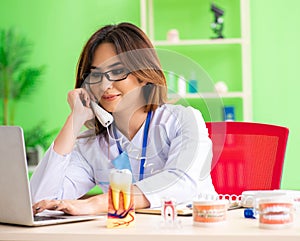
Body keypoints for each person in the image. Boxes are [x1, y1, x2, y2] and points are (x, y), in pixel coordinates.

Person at [30, 22, 216, 216]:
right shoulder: (91, 144)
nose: (105, 85)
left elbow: (181, 183)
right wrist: (74, 120)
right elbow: (39, 203)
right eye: (96, 74)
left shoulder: (184, 120)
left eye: (118, 72)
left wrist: (100, 203)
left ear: (143, 74)